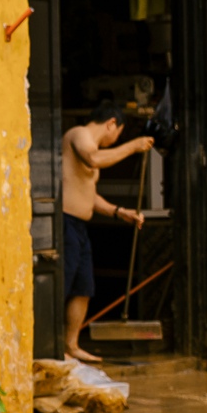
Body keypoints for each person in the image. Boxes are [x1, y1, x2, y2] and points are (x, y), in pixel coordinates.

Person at [60, 104, 152, 366]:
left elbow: (89, 194)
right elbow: (94, 160)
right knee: (63, 286)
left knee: (83, 288)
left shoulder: (92, 147)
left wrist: (118, 211)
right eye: (118, 134)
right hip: (65, 223)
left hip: (80, 227)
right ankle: (53, 345)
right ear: (111, 123)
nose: (116, 140)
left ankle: (71, 345)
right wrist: (133, 146)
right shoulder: (79, 135)